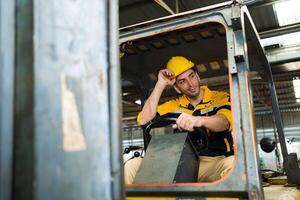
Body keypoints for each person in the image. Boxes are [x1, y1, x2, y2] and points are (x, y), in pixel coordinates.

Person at [124, 56, 234, 184]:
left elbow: (224, 122)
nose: (190, 84)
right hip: (178, 162)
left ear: (198, 76)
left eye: (191, 76)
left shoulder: (219, 98)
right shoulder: (174, 106)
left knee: (231, 164)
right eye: (182, 81)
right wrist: (160, 83)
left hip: (213, 162)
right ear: (176, 88)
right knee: (132, 166)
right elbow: (143, 120)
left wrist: (198, 120)